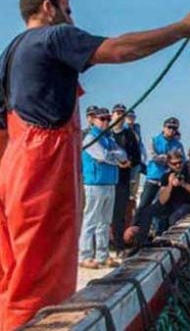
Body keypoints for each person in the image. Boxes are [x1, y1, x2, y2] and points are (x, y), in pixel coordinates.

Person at [0, 0, 190, 328]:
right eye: (67, 10)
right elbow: (119, 49)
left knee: (12, 274)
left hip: (12, 170)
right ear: (49, 9)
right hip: (41, 172)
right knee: (39, 281)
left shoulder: (9, 56)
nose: (71, 18)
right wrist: (181, 29)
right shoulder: (54, 37)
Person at [123, 150, 190, 247]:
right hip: (171, 204)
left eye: (180, 163)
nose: (178, 166)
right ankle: (142, 241)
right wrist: (170, 185)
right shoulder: (166, 176)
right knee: (147, 212)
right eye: (174, 164)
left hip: (187, 204)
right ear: (169, 164)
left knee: (173, 218)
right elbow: (162, 200)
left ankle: (171, 242)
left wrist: (183, 184)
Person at [80, 107, 128, 269]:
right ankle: (85, 255)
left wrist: (114, 157)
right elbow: (102, 156)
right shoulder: (90, 138)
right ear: (93, 119)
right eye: (102, 119)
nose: (106, 122)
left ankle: (102, 255)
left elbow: (123, 154)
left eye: (108, 119)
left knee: (105, 222)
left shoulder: (109, 138)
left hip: (109, 182)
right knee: (91, 220)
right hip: (95, 183)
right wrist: (116, 159)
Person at [110, 104, 141, 258]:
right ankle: (99, 248)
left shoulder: (129, 135)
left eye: (123, 113)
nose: (120, 115)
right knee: (101, 216)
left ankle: (119, 247)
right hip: (106, 180)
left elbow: (137, 157)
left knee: (119, 214)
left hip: (122, 180)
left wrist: (129, 163)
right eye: (117, 113)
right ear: (112, 114)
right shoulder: (105, 134)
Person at [138, 117, 185, 213]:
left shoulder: (178, 145)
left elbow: (181, 161)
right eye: (169, 127)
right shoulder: (154, 140)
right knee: (143, 206)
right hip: (153, 178)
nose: (171, 130)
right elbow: (152, 156)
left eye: (174, 128)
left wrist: (167, 160)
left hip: (168, 181)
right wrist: (167, 159)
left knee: (163, 208)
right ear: (164, 127)